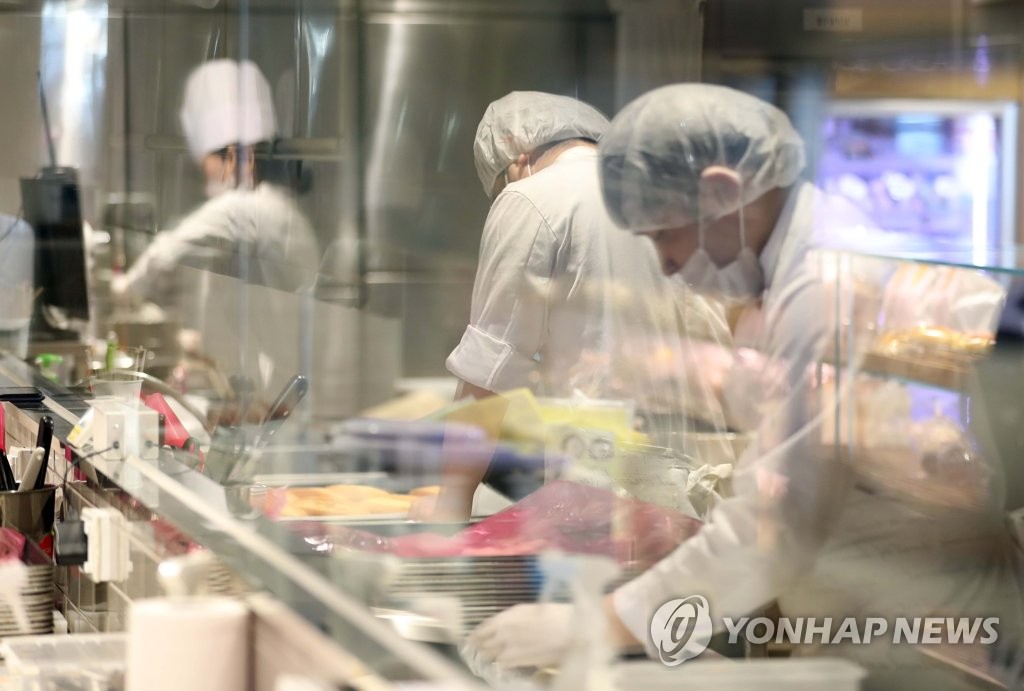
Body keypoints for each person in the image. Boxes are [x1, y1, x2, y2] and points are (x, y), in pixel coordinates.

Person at [467, 84, 1024, 689]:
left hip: (920, 622)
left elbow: (775, 523)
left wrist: (594, 625)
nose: (665, 264)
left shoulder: (822, 284)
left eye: (663, 234)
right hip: (878, 601)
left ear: (722, 192)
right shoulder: (802, 260)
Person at [428, 91, 729, 518]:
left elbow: (488, 373)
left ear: (517, 157)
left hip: (604, 488)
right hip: (698, 484)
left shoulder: (531, 196)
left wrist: (452, 502)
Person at [113, 59, 320, 409]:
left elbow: (164, 255)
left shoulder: (249, 208)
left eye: (208, 158)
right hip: (280, 378)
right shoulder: (274, 210)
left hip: (294, 385)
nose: (202, 169)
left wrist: (119, 292)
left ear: (238, 157)